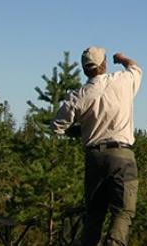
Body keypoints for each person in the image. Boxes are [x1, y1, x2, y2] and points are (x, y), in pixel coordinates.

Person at [51, 46, 142, 246]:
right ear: (104, 64)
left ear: (85, 70)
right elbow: (136, 68)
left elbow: (57, 126)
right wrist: (123, 58)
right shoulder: (123, 81)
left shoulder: (79, 96)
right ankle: (114, 242)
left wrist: (78, 131)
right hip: (122, 156)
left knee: (94, 214)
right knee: (123, 211)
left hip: (94, 158)